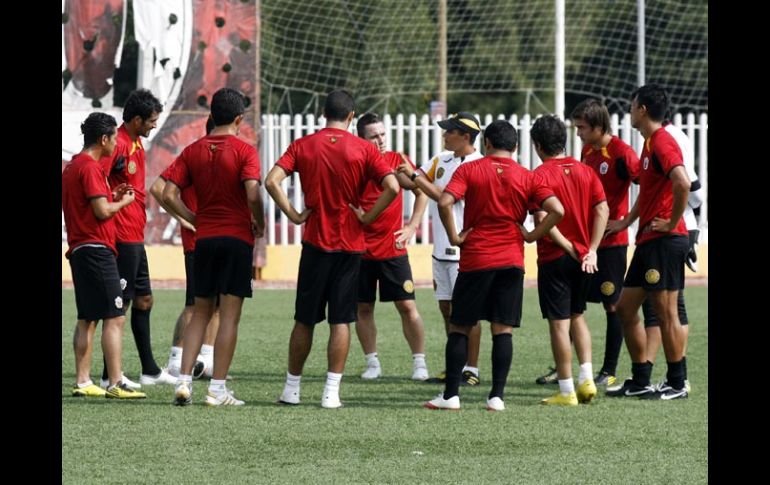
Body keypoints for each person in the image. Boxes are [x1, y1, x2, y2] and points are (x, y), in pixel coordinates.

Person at [266, 90, 399, 409]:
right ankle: (330, 393)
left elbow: (271, 181)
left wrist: (294, 214)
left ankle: (292, 389)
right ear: (352, 117)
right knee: (342, 320)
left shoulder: (303, 145)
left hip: (315, 243)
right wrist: (367, 216)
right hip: (351, 246)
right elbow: (393, 187)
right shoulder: (364, 149)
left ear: (323, 113)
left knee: (304, 319)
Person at [424, 120, 563, 411]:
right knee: (503, 330)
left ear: (486, 143)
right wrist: (530, 236)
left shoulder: (470, 169)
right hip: (511, 261)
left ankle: (450, 396)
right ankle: (496, 397)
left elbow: (445, 202)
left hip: (477, 258)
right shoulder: (527, 176)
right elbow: (557, 210)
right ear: (515, 146)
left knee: (460, 326)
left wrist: (454, 236)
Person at [163, 87, 265, 406]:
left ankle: (183, 382)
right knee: (230, 316)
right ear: (239, 118)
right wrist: (258, 221)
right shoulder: (245, 151)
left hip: (204, 239)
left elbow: (166, 193)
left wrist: (192, 217)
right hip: (236, 239)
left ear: (211, 116)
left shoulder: (192, 150)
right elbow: (251, 192)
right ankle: (217, 389)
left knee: (200, 313)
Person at [606, 84, 691, 400]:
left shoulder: (664, 142)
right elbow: (650, 190)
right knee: (624, 308)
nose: (629, 112)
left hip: (665, 241)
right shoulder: (649, 143)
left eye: (631, 106)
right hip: (648, 240)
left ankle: (677, 383)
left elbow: (683, 182)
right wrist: (627, 221)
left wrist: (671, 222)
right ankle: (641, 379)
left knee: (666, 312)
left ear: (642, 110)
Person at [397, 112, 484, 386]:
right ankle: (454, 365)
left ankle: (472, 369)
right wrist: (396, 171)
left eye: (450, 131)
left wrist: (414, 177)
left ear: (466, 137)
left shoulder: (478, 165)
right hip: (441, 248)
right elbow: (414, 183)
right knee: (446, 307)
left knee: (467, 312)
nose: (444, 135)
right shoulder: (441, 160)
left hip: (465, 251)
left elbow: (442, 196)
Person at [62, 112, 145, 399]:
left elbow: (92, 205)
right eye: (114, 138)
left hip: (80, 248)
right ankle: (115, 382)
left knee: (87, 317)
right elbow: (100, 212)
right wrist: (122, 202)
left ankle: (83, 381)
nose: (116, 144)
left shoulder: (73, 167)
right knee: (116, 315)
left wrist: (111, 195)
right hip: (98, 248)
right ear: (104, 139)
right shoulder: (91, 168)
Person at [99, 88, 177, 388]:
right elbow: (97, 177)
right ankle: (109, 376)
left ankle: (149, 370)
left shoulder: (134, 143)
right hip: (121, 235)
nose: (154, 126)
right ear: (135, 120)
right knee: (122, 303)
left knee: (144, 299)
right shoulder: (118, 144)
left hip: (135, 233)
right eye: (151, 121)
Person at [530, 115, 609, 406]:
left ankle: (566, 391)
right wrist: (593, 248)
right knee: (578, 316)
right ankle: (586, 379)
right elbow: (602, 209)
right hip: (585, 257)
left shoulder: (538, 175)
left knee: (559, 324)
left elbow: (542, 217)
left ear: (537, 145)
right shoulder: (586, 171)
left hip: (555, 257)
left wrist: (566, 247)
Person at [568, 98, 641, 387]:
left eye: (582, 128)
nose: (578, 134)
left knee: (612, 306)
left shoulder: (623, 153)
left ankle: (609, 369)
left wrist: (626, 221)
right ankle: (572, 367)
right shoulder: (588, 150)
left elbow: (648, 187)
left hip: (612, 245)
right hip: (586, 243)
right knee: (574, 308)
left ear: (599, 127)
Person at [353, 113, 430, 381]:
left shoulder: (397, 160)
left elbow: (422, 191)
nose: (380, 140)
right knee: (363, 308)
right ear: (361, 139)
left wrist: (412, 226)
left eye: (382, 134)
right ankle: (372, 363)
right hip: (360, 249)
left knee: (407, 307)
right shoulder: (356, 163)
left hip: (393, 249)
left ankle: (419, 363)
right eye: (374, 136)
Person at [149, 117, 221, 380]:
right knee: (195, 304)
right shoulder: (194, 154)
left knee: (217, 305)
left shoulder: (228, 153)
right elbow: (158, 188)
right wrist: (185, 218)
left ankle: (207, 360)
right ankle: (176, 361)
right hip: (199, 241)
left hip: (221, 239)